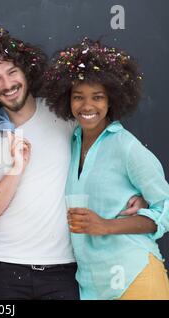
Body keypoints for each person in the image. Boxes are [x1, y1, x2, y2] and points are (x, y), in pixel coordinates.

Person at [0, 28, 146, 300]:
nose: (7, 83)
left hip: (65, 269)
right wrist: (16, 171)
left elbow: (113, 151)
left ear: (26, 72)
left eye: (12, 72)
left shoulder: (65, 116)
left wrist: (136, 194)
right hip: (6, 267)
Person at [43, 38, 169, 300]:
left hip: (135, 278)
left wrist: (107, 225)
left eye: (97, 97)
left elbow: (166, 208)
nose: (87, 106)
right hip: (92, 286)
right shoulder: (73, 142)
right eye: (78, 97)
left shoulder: (126, 147)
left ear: (111, 100)